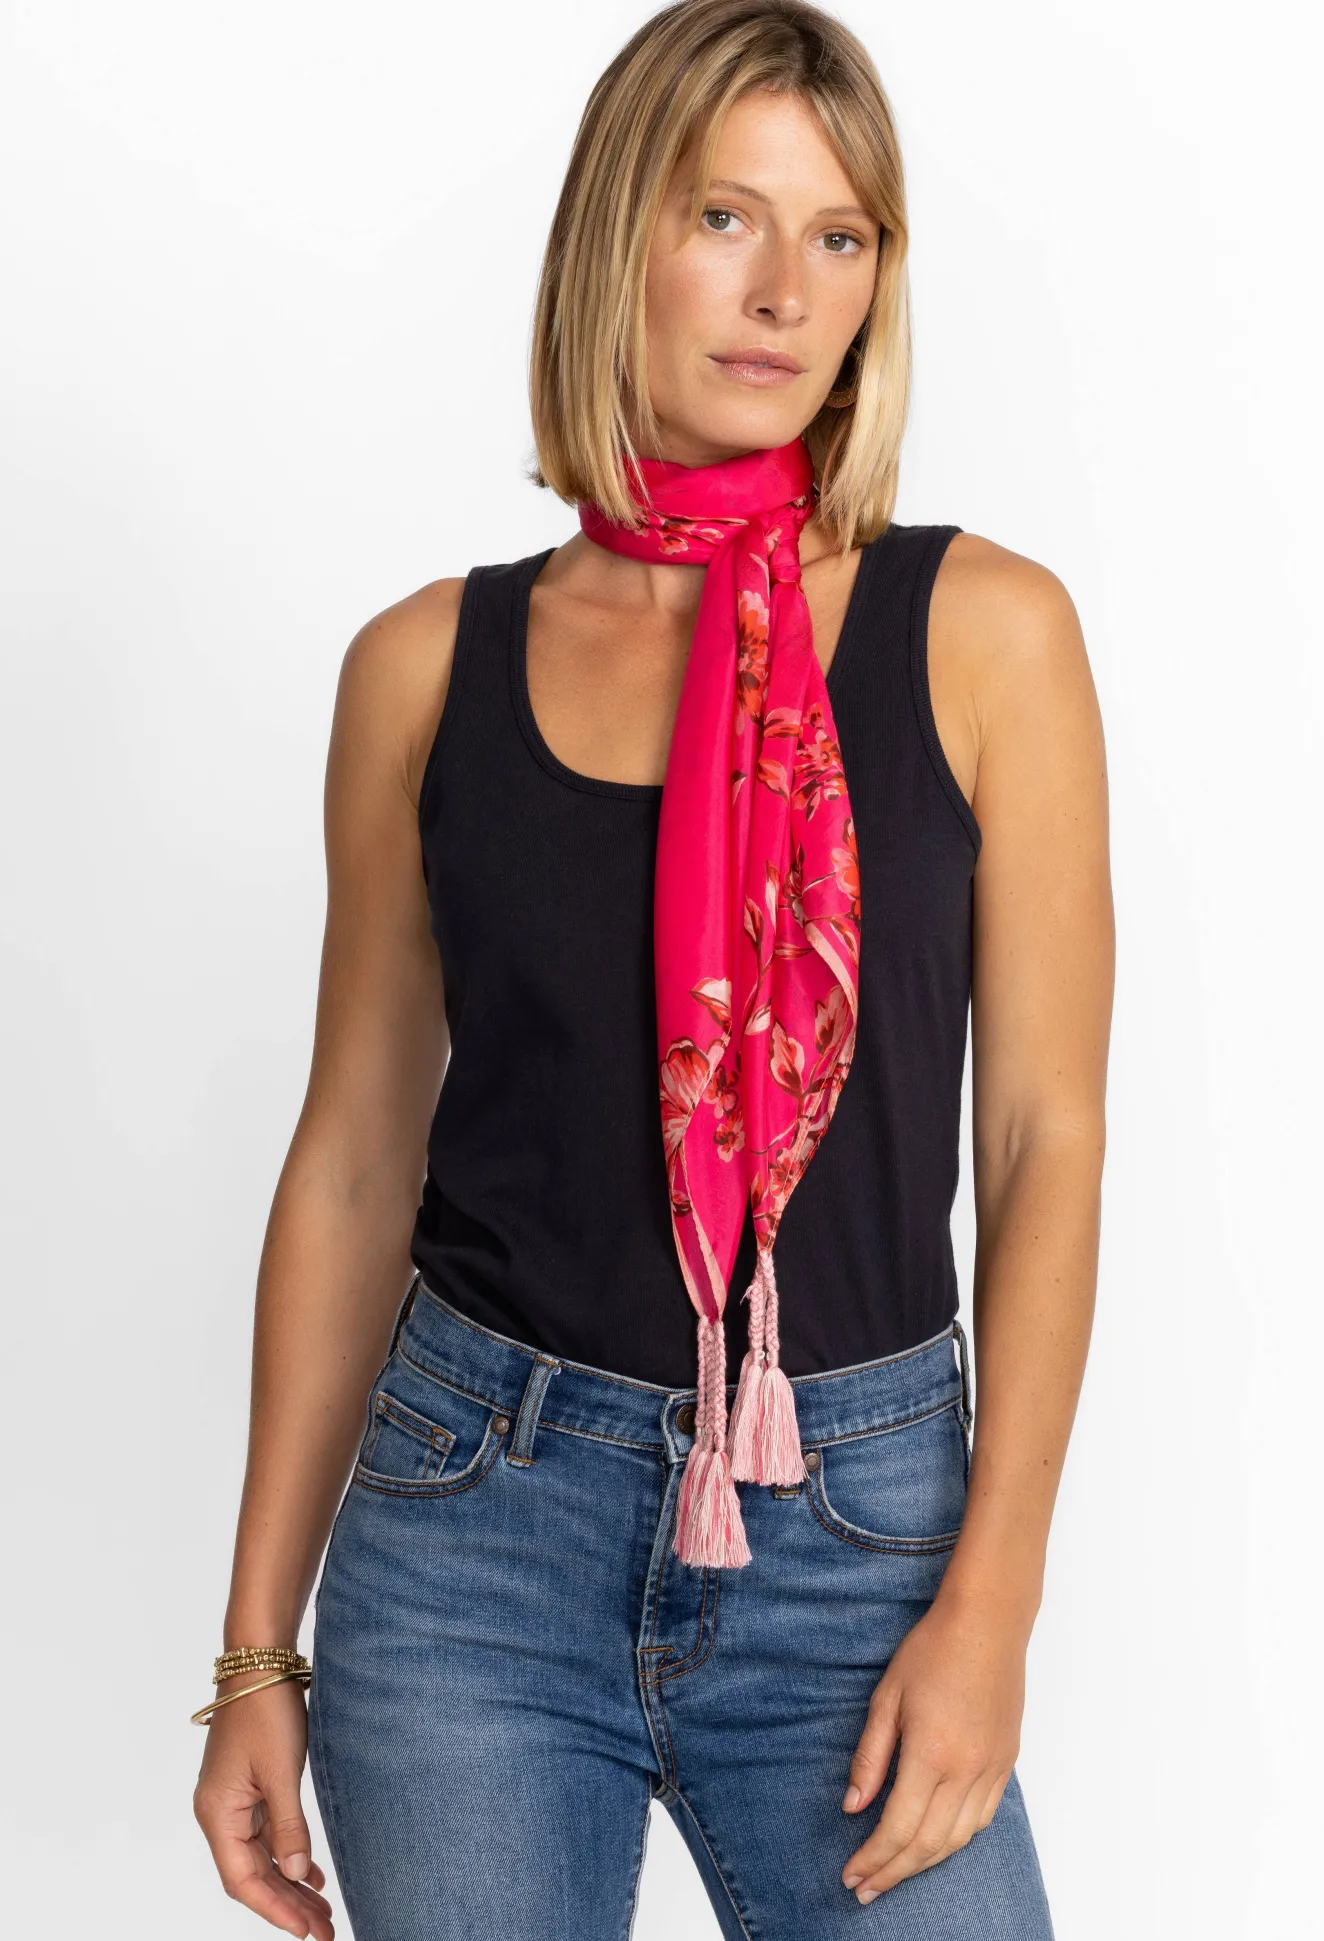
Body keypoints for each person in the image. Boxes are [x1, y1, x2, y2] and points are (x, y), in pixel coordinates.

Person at [192, 2, 1113, 1936]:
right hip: (472, 1538)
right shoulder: (424, 667)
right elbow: (354, 1160)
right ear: (618, 235)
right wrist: (257, 1651)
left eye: (840, 236)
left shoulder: (986, 633)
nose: (784, 292)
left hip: (860, 1529)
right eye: (724, 216)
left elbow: (1042, 1135)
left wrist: (995, 1601)